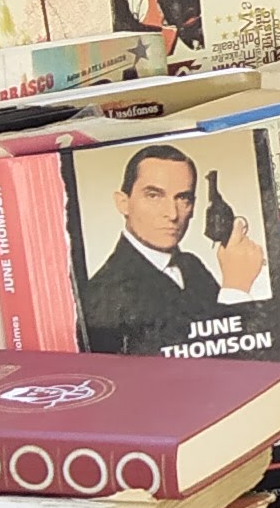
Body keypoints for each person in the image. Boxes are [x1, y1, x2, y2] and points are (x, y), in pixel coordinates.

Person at [78, 143, 265, 355]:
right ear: (123, 203)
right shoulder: (103, 295)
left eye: (183, 198)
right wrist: (236, 288)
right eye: (154, 195)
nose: (172, 214)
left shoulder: (192, 266)